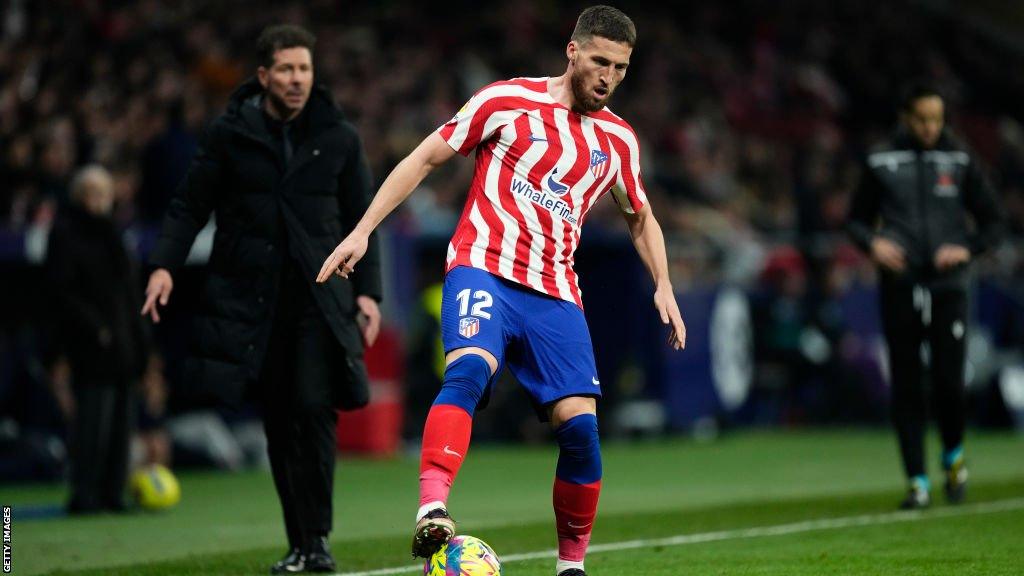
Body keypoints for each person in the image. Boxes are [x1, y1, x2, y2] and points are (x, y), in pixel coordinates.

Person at [317, 7, 685, 576]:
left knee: (582, 429)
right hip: (482, 267)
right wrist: (364, 231)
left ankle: (571, 567)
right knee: (467, 371)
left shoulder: (618, 141)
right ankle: (432, 510)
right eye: (599, 61)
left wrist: (663, 283)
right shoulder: (506, 101)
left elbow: (641, 217)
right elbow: (424, 158)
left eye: (620, 67)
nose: (608, 77)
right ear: (572, 51)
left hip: (556, 291)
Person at [141, 25, 382, 574]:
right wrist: (163, 266)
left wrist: (369, 293)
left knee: (314, 415)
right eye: (288, 69)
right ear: (264, 76)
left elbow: (364, 219)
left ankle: (316, 540)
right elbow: (188, 205)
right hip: (256, 304)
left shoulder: (337, 136)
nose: (298, 79)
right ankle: (300, 542)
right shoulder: (230, 133)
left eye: (306, 68)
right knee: (279, 421)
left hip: (319, 302)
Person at [847, 82, 1004, 509]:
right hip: (899, 284)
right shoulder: (881, 160)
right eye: (922, 119)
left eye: (937, 119)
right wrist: (873, 245)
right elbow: (856, 221)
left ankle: (952, 455)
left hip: (948, 286)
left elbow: (994, 222)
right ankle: (917, 480)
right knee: (908, 384)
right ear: (905, 117)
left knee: (950, 384)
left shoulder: (959, 159)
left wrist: (966, 248)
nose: (931, 127)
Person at [46, 165, 149, 514]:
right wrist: (97, 329)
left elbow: (130, 292)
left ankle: (112, 493)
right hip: (90, 346)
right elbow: (62, 291)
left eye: (103, 193)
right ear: (79, 196)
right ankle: (85, 494)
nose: (99, 200)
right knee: (92, 423)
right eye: (92, 193)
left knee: (121, 424)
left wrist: (139, 338)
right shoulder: (65, 232)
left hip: (122, 345)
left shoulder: (115, 234)